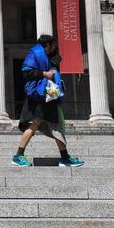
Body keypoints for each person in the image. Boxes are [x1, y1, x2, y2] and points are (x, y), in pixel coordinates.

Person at [11, 34, 84, 168]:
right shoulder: (35, 54)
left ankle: (65, 157)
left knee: (56, 127)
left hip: (48, 97)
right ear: (48, 45)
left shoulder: (46, 56)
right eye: (53, 45)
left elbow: (57, 59)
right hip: (39, 97)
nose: (55, 48)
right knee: (36, 125)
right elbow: (26, 72)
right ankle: (19, 155)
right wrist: (45, 74)